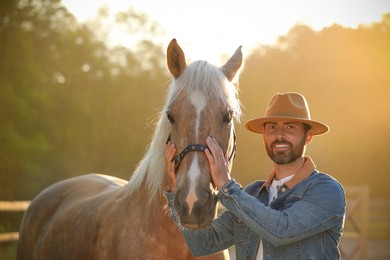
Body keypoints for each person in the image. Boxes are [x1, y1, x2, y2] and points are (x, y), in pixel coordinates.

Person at [165, 92, 346, 259]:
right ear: (264, 136)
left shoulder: (326, 190)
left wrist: (226, 185)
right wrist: (175, 194)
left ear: (308, 137)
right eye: (272, 127)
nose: (279, 135)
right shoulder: (253, 194)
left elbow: (281, 230)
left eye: (290, 127)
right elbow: (203, 244)